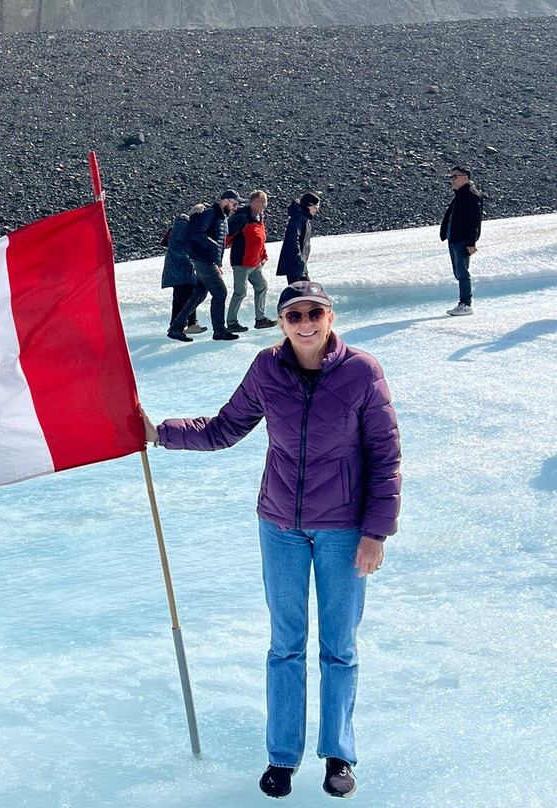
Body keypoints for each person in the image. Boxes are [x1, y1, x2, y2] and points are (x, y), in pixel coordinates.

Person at [142, 280, 401, 800]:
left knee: (338, 648)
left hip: (343, 530)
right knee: (285, 646)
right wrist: (158, 432)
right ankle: (282, 758)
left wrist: (375, 532)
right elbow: (224, 427)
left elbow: (386, 457)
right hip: (280, 525)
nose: (305, 323)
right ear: (282, 323)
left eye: (314, 313)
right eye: (294, 315)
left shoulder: (361, 372)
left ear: (330, 316)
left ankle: (338, 756)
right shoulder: (267, 368)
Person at [168, 189, 244, 343]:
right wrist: (213, 246)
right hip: (204, 261)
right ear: (225, 201)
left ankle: (176, 327)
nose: (235, 208)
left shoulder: (221, 217)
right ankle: (219, 331)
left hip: (208, 261)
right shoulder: (211, 213)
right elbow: (197, 234)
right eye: (234, 204)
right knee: (220, 293)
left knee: (199, 294)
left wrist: (218, 262)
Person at [226, 190, 276, 332]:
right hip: (242, 262)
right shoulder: (242, 217)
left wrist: (263, 255)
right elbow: (228, 236)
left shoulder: (259, 217)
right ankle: (231, 322)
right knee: (240, 292)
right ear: (254, 202)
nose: (264, 206)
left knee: (262, 286)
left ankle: (260, 319)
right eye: (263, 203)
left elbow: (260, 239)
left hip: (255, 263)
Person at [439, 166, 483, 316]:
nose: (452, 180)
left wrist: (471, 242)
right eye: (451, 177)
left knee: (463, 273)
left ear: (465, 177)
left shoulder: (471, 195)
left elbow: (474, 221)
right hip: (454, 239)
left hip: (462, 240)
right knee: (459, 272)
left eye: (455, 176)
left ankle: (466, 304)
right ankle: (463, 303)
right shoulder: (461, 194)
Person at [161, 203, 208, 336]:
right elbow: (176, 246)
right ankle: (185, 324)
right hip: (180, 268)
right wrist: (191, 257)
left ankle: (183, 324)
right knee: (187, 295)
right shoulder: (183, 225)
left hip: (179, 268)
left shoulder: (184, 224)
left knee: (182, 296)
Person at [276, 192, 320, 285]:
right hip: (295, 264)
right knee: (300, 291)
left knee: (306, 290)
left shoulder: (304, 217)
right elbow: (293, 239)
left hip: (300, 264)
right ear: (309, 206)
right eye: (316, 207)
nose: (317, 210)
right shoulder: (299, 217)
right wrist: (299, 258)